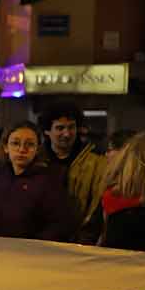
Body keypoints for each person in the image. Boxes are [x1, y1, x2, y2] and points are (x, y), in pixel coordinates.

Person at [0, 123, 74, 241]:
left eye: (29, 144)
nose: (22, 149)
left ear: (37, 149)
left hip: (32, 253)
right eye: (15, 143)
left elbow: (60, 224)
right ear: (5, 147)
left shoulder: (49, 181)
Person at [38, 102, 106, 243]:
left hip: (83, 240)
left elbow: (97, 206)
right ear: (47, 131)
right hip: (43, 240)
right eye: (60, 128)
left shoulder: (96, 161)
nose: (67, 133)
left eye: (71, 127)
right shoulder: (37, 159)